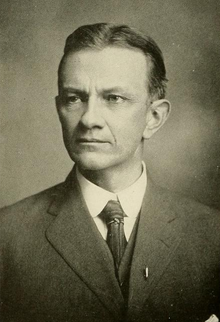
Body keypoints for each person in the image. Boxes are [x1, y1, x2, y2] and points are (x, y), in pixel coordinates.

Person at [0, 23, 219, 322]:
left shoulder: (212, 235)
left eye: (114, 98)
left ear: (154, 117)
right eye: (74, 98)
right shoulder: (7, 236)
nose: (89, 119)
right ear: (58, 108)